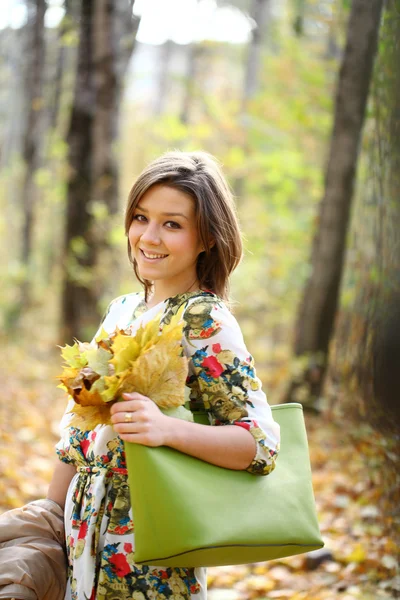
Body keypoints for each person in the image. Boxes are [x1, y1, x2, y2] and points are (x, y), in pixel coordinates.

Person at [36, 151, 281, 599]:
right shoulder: (121, 310)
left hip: (148, 555)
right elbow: (77, 432)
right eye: (140, 218)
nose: (149, 237)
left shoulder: (204, 318)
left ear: (206, 237)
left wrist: (165, 429)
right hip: (80, 537)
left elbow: (260, 446)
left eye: (173, 224)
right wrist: (47, 525)